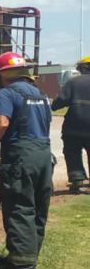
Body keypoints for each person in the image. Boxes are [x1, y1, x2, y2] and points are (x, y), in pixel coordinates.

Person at [0, 51, 53, 269]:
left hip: (21, 157)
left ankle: (21, 265)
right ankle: (29, 255)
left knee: (19, 207)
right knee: (36, 207)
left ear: (2, 75)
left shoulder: (6, 93)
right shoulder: (40, 94)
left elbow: (1, 124)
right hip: (44, 155)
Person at [51, 56, 90, 193]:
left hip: (74, 126)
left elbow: (59, 102)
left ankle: (77, 181)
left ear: (82, 68)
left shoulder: (73, 82)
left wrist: (53, 105)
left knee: (72, 152)